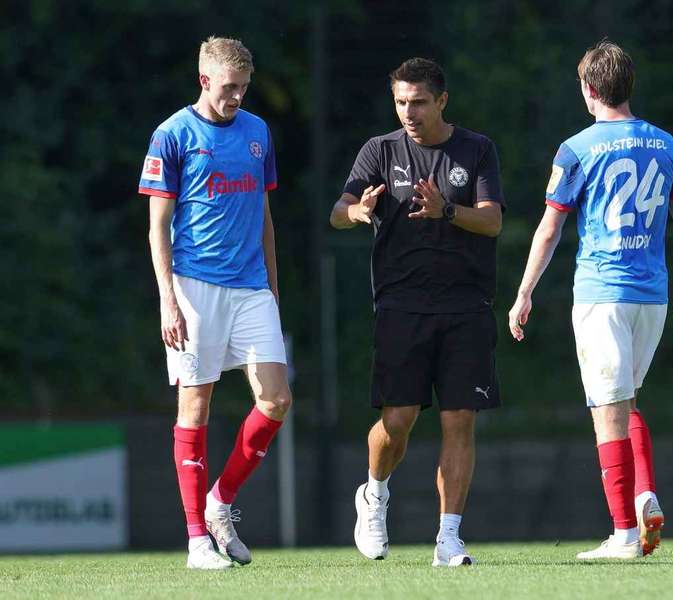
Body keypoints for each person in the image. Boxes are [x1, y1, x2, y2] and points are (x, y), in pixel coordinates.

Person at [508, 40, 673, 560]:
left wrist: (524, 291)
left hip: (602, 295)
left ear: (590, 89)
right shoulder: (666, 144)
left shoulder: (576, 148)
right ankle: (644, 494)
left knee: (605, 411)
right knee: (627, 401)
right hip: (653, 298)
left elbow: (550, 230)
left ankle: (622, 534)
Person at [330, 57, 504, 567]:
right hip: (401, 305)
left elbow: (492, 222)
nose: (409, 111)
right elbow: (338, 212)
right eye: (401, 102)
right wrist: (359, 211)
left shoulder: (476, 150)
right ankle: (375, 494)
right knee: (398, 418)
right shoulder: (379, 151)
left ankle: (448, 538)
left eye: (419, 102)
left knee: (459, 421)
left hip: (466, 306)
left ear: (442, 101)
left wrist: (445, 211)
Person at [139, 36, 292, 570]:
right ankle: (196, 541)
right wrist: (167, 301)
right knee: (195, 406)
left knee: (276, 400)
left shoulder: (257, 132)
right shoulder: (172, 134)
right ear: (204, 80)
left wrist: (272, 287)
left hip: (251, 286)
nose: (238, 97)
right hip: (194, 285)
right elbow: (159, 225)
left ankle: (220, 502)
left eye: (244, 88)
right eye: (229, 88)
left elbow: (265, 215)